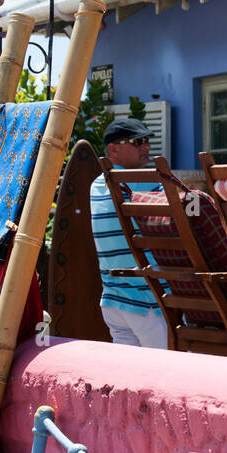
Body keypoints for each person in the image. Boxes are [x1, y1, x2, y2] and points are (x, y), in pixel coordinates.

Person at [89, 116, 169, 348]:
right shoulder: (146, 182)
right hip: (149, 302)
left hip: (114, 302)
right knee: (162, 378)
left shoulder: (96, 184)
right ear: (113, 150)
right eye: (137, 142)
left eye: (146, 140)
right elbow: (188, 216)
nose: (146, 147)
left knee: (129, 378)